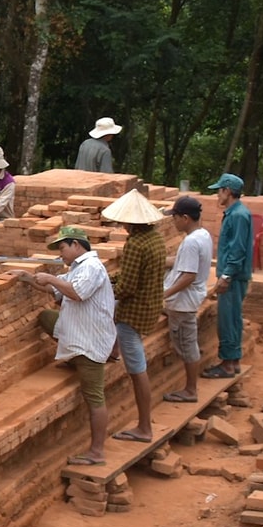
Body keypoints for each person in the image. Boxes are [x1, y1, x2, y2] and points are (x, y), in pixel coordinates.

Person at [16, 226, 116, 467]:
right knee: (47, 318)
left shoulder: (91, 267)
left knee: (94, 397)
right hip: (79, 334)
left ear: (77, 245)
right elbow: (57, 291)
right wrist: (27, 278)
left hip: (91, 342)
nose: (60, 254)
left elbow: (77, 293)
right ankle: (73, 359)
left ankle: (97, 452)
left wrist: (50, 278)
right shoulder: (77, 268)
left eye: (62, 248)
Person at [102, 189, 167, 444]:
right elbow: (133, 277)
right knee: (133, 357)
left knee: (137, 369)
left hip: (133, 312)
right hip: (150, 306)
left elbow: (127, 287)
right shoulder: (156, 239)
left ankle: (144, 427)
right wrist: (107, 279)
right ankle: (111, 351)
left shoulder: (135, 244)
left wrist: (103, 292)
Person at [161, 194, 213, 403]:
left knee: (186, 344)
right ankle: (190, 388)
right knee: (187, 342)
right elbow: (182, 262)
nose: (172, 221)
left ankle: (191, 390)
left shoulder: (191, 242)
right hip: (186, 300)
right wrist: (158, 260)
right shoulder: (203, 235)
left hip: (183, 303)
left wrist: (163, 295)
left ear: (185, 218)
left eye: (174, 217)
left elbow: (188, 276)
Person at [204, 173, 254, 378]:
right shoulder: (236, 213)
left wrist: (226, 276)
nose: (217, 195)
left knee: (227, 318)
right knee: (233, 317)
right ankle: (233, 360)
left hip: (233, 276)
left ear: (227, 191)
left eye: (219, 191)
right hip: (234, 274)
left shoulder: (237, 216)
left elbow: (238, 249)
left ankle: (226, 364)